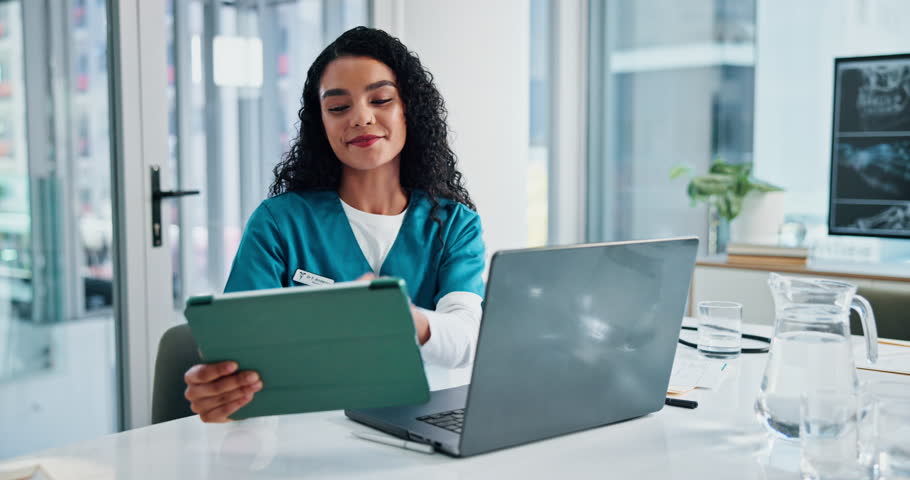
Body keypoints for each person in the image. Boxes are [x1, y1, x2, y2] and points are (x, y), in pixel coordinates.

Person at [183, 27, 486, 423]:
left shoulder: (454, 224)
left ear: (410, 109)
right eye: (338, 107)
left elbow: (466, 337)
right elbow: (242, 344)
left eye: (380, 99)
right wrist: (220, 387)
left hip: (423, 426)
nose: (361, 117)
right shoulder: (279, 222)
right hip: (305, 431)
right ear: (320, 123)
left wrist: (402, 318)